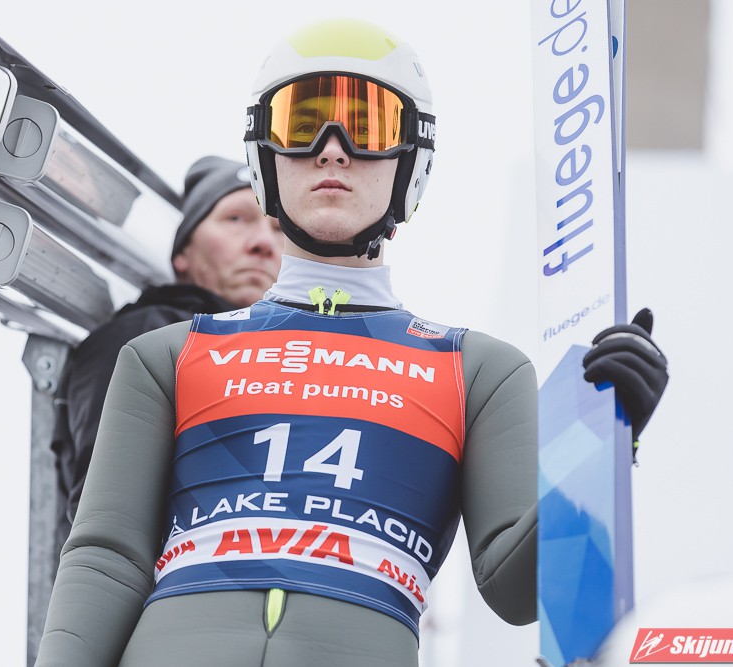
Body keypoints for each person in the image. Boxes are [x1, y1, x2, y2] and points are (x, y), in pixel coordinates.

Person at [35, 18, 668, 667]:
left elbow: (518, 589)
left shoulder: (478, 372)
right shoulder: (168, 356)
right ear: (264, 156)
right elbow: (107, 559)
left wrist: (603, 438)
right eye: (302, 122)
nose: (332, 150)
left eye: (368, 127)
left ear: (410, 161)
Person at [51, 155, 283, 549]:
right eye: (236, 219)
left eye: (278, 229)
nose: (263, 243)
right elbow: (110, 523)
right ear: (183, 254)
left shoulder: (298, 358)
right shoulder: (146, 340)